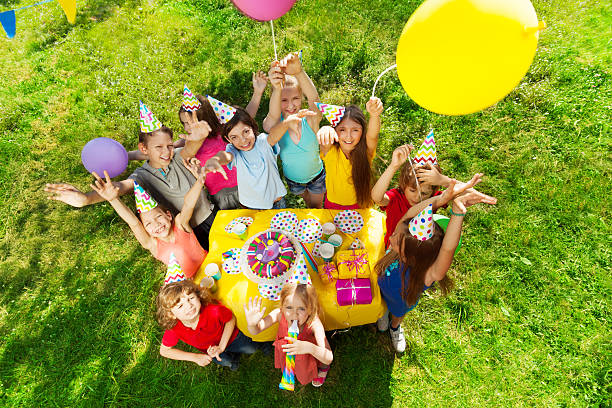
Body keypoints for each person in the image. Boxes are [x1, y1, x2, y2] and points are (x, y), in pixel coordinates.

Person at [45, 110, 217, 250]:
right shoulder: (141, 177)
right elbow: (119, 187)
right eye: (158, 147)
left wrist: (199, 137)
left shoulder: (179, 156)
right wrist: (85, 199)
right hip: (188, 233)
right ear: (144, 149)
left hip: (213, 216)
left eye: (169, 145)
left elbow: (190, 148)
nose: (166, 152)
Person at [375, 190, 497, 353]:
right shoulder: (404, 235)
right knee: (381, 301)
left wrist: (457, 213)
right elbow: (411, 213)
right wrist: (442, 199)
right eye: (396, 235)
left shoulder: (428, 274)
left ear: (412, 256)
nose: (391, 238)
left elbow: (447, 248)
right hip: (383, 288)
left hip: (401, 301)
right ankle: (382, 311)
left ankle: (395, 326)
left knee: (398, 312)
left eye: (397, 241)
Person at [89, 159, 208, 278]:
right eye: (148, 224)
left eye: (158, 216)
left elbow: (188, 205)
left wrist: (200, 180)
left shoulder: (180, 225)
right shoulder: (152, 244)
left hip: (211, 265)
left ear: (168, 215)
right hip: (191, 285)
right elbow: (133, 222)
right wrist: (113, 199)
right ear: (145, 229)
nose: (156, 224)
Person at [204, 107, 315, 210]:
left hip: (276, 203)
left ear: (252, 127)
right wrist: (215, 160)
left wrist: (286, 123)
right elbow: (226, 156)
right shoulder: (233, 150)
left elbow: (273, 136)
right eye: (234, 137)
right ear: (228, 139)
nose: (243, 140)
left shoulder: (263, 142)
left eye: (246, 132)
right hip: (251, 206)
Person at [263, 52, 325, 208]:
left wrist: (299, 72)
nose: (290, 105)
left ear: (301, 98)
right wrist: (276, 88)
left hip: (316, 178)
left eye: (295, 98)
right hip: (293, 181)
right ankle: (307, 199)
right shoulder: (276, 125)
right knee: (305, 199)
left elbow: (315, 100)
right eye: (283, 100)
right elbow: (272, 115)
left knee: (316, 208)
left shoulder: (310, 119)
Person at [157, 280, 262, 371]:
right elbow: (164, 350)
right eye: (180, 306)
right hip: (211, 351)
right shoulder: (174, 328)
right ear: (171, 314)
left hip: (232, 338)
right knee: (226, 361)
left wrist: (221, 346)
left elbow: (230, 319)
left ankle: (263, 345)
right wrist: (195, 357)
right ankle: (234, 362)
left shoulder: (213, 311)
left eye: (191, 298)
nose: (189, 305)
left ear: (198, 296)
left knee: (251, 348)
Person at [244, 284, 333, 387]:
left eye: (301, 309)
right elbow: (256, 330)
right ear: (282, 307)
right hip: (289, 351)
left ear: (310, 309)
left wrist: (311, 348)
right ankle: (295, 370)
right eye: (289, 307)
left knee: (321, 362)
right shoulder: (279, 314)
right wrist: (252, 324)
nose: (294, 314)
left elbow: (328, 358)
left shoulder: (314, 323)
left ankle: (324, 369)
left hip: (311, 354)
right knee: (297, 366)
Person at [316, 97, 383, 209]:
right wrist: (325, 129)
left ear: (363, 131)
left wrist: (375, 115)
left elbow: (373, 135)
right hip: (332, 205)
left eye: (355, 130)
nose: (348, 136)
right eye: (342, 130)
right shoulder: (329, 149)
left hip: (361, 205)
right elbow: (324, 137)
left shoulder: (366, 151)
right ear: (335, 130)